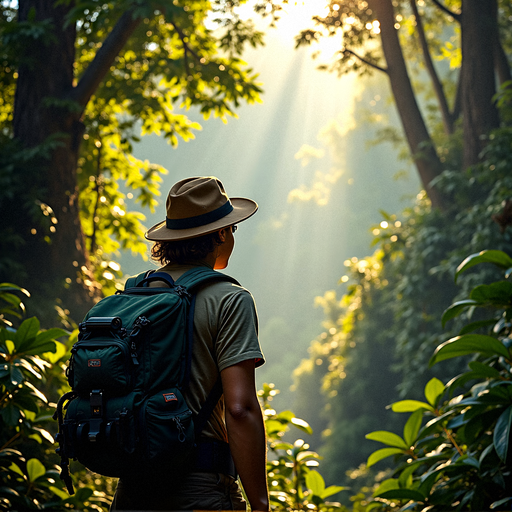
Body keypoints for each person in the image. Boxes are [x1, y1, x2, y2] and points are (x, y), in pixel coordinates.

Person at [110, 176, 270, 512]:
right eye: (233, 230)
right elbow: (240, 410)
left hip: (132, 490)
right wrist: (260, 503)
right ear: (223, 233)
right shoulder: (230, 299)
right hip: (199, 490)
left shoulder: (134, 296)